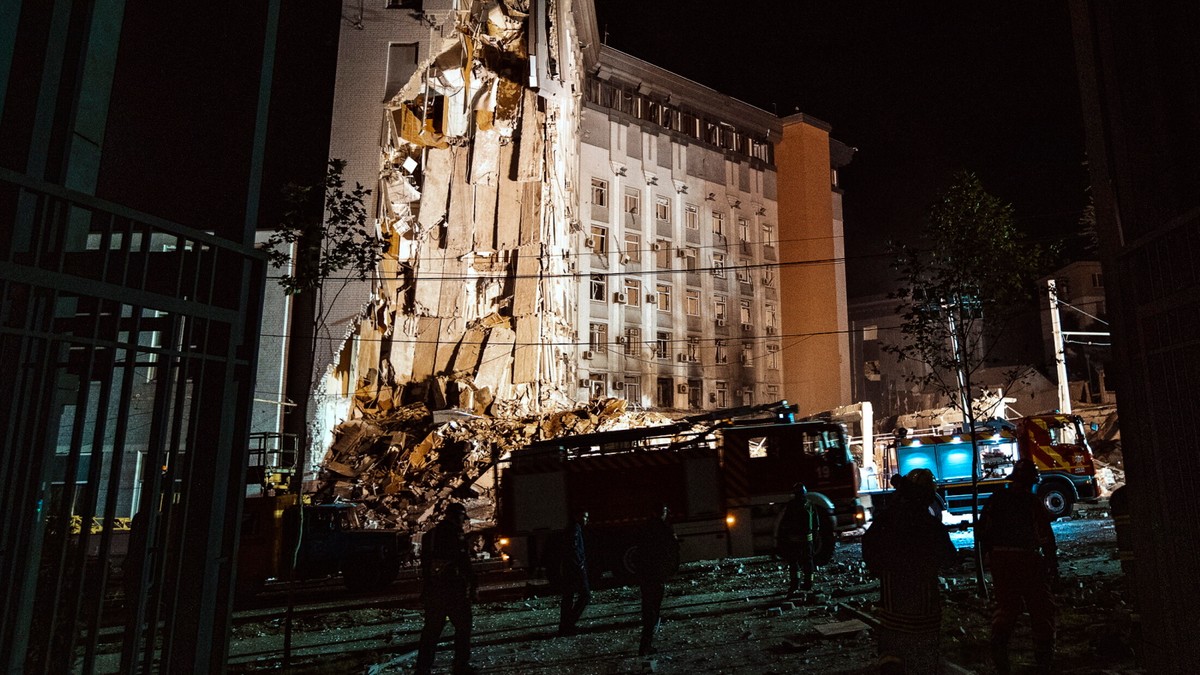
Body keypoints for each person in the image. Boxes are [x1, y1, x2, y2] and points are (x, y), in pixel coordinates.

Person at [861, 468, 958, 675]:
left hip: (892, 597)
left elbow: (869, 544)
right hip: (923, 603)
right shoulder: (930, 524)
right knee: (922, 655)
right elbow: (949, 557)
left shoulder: (887, 519)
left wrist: (878, 568)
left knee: (892, 650)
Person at [977, 459, 1058, 674]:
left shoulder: (996, 499)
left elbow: (982, 531)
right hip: (1027, 560)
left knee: (1007, 606)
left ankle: (999, 652)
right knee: (1041, 607)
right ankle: (1044, 660)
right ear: (1031, 481)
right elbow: (1047, 537)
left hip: (1001, 561)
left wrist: (987, 558)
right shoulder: (1031, 502)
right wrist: (1052, 566)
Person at [415, 502, 476, 675]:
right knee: (463, 627)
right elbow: (464, 563)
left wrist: (426, 590)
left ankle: (423, 668)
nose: (463, 522)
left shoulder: (430, 536)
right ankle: (460, 665)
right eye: (462, 518)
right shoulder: (457, 535)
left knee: (431, 631)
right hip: (454, 589)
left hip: (434, 590)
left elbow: (425, 565)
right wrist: (473, 585)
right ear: (458, 516)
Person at [634, 503, 679, 656]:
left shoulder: (645, 528)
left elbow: (638, 553)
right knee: (653, 611)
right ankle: (645, 646)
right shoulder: (664, 529)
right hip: (656, 575)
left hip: (646, 575)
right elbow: (671, 550)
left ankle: (645, 645)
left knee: (648, 609)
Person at [776, 482, 818, 599]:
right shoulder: (810, 504)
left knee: (794, 562)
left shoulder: (791, 505)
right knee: (808, 562)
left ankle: (795, 584)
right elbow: (816, 523)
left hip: (794, 540)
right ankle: (809, 583)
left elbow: (785, 522)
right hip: (807, 539)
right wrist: (815, 537)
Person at [557, 509, 590, 636]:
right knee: (585, 595)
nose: (586, 520)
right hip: (574, 568)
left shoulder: (571, 528)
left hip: (568, 568)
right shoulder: (575, 529)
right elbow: (575, 550)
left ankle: (565, 626)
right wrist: (580, 565)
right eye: (584, 517)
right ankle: (569, 623)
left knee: (568, 598)